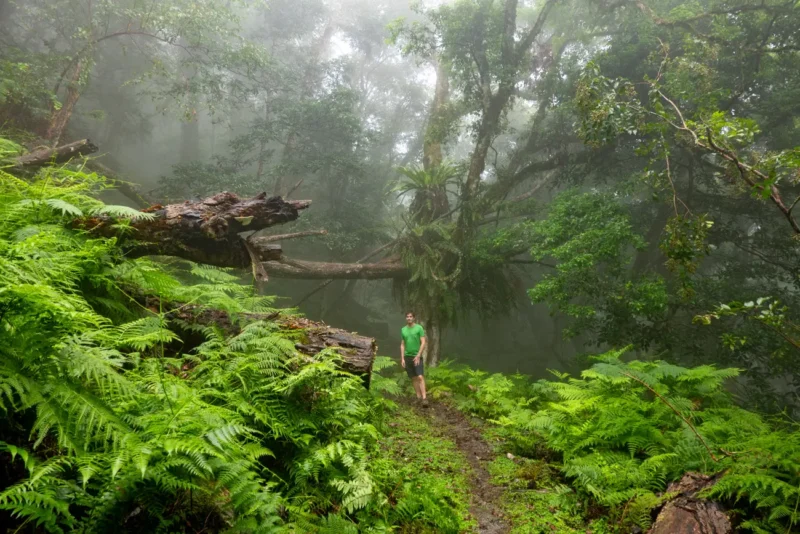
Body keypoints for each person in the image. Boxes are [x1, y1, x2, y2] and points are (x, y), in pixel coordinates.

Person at [400, 311, 428, 406]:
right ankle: (418, 397)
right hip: (407, 356)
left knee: (420, 376)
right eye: (407, 316)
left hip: (417, 356)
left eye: (410, 316)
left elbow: (423, 342)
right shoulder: (403, 330)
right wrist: (402, 358)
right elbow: (402, 344)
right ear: (405, 318)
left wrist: (419, 355)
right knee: (413, 378)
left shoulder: (419, 328)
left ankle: (424, 398)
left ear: (414, 318)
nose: (409, 318)